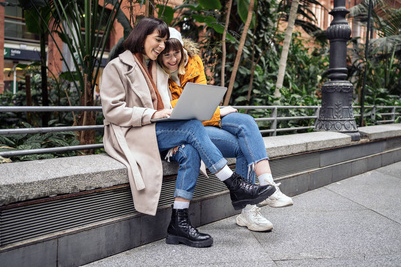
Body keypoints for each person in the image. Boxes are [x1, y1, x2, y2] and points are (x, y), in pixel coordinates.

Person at [100, 17, 275, 248]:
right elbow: (112, 111)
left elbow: (166, 104)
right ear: (142, 36)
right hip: (134, 133)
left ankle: (178, 224)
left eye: (164, 41)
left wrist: (175, 113)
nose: (162, 46)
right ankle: (234, 184)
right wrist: (151, 115)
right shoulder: (117, 67)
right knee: (192, 127)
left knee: (191, 149)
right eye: (158, 40)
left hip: (158, 129)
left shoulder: (154, 66)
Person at [156, 27, 294, 233]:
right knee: (242, 145)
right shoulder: (157, 74)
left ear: (182, 49)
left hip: (204, 119)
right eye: (166, 55)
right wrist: (219, 111)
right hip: (189, 129)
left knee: (246, 121)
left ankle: (268, 186)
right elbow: (177, 114)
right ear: (159, 57)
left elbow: (201, 102)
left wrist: (211, 111)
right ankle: (248, 211)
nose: (173, 59)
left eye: (176, 53)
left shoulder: (194, 62)